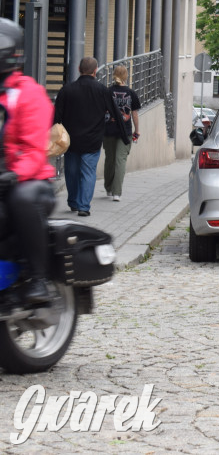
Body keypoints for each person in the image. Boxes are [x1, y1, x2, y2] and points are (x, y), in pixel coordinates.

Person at [0, 19, 58, 303]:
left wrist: (13, 174)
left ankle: (38, 279)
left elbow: (35, 148)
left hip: (30, 181)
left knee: (21, 199)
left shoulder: (28, 93)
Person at [54, 57, 124, 217]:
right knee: (88, 172)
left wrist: (52, 135)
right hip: (92, 140)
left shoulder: (67, 89)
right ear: (95, 71)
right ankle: (84, 206)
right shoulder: (102, 90)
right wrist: (124, 134)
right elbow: (116, 114)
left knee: (71, 171)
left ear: (79, 69)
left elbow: (57, 116)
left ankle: (73, 202)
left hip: (71, 140)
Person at [103, 65, 141, 201]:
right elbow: (135, 114)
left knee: (109, 160)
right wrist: (137, 131)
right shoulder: (131, 93)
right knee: (121, 160)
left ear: (114, 75)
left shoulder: (107, 92)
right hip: (124, 131)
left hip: (108, 130)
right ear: (126, 76)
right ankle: (116, 193)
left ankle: (108, 188)